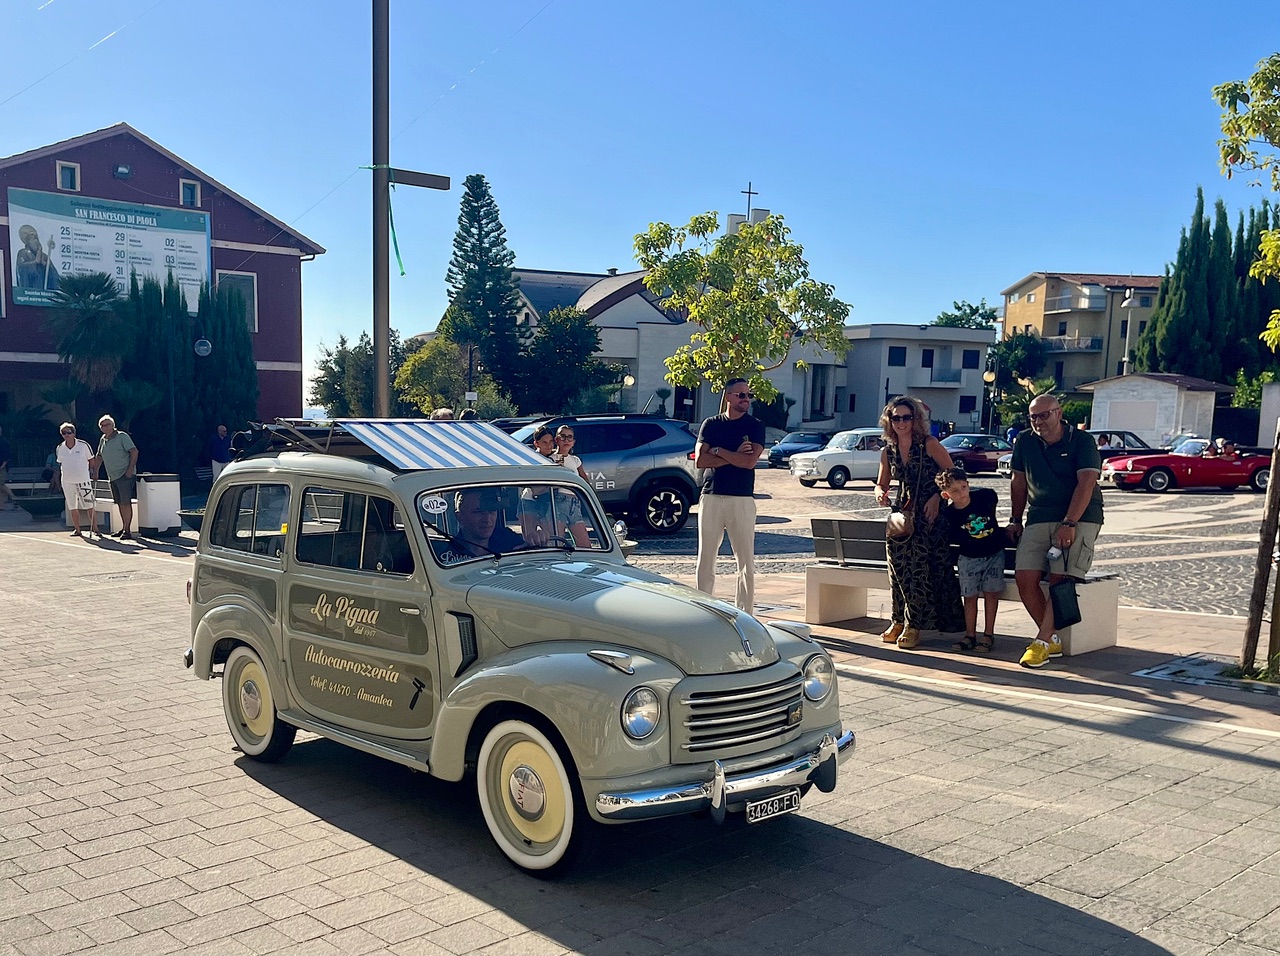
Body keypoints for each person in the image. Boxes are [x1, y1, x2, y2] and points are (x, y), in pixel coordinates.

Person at [1008, 394, 1105, 669]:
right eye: (1033, 417)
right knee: (1025, 577)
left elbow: (1086, 483)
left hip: (1080, 516)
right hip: (1039, 514)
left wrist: (1069, 523)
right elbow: (1018, 481)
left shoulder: (1081, 441)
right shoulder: (1025, 441)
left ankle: (1041, 643)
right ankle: (1052, 638)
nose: (1039, 421)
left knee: (1060, 578)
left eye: (1045, 415)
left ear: (1059, 413)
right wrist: (1015, 519)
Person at [874, 396, 965, 647]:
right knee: (897, 571)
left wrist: (937, 496)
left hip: (929, 516)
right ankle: (898, 620)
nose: (901, 422)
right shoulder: (888, 451)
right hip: (902, 516)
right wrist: (880, 493)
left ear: (915, 419)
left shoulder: (929, 444)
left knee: (919, 571)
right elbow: (881, 482)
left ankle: (914, 625)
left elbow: (953, 475)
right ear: (889, 421)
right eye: (896, 418)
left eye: (907, 417)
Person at [695, 378, 766, 612]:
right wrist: (734, 455)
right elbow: (701, 461)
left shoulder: (755, 426)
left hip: (741, 498)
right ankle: (703, 609)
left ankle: (746, 613)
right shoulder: (711, 424)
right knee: (706, 558)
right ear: (728, 397)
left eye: (748, 395)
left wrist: (719, 452)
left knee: (746, 561)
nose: (746, 399)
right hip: (712, 496)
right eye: (741, 395)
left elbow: (749, 462)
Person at [936, 467, 1010, 653]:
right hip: (969, 558)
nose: (961, 493)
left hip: (993, 554)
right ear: (946, 495)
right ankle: (970, 635)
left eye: (963, 487)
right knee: (969, 597)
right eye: (954, 491)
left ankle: (988, 634)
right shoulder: (950, 515)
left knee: (991, 594)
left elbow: (991, 500)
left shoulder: (985, 497)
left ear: (968, 485)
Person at [435, 488, 524, 563]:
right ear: (460, 516)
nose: (487, 519)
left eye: (492, 511)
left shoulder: (508, 539)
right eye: (478, 512)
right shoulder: (448, 557)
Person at [93, 415, 139, 541]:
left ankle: (127, 530)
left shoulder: (122, 436)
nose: (104, 427)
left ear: (113, 425)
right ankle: (124, 527)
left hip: (124, 474)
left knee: (125, 502)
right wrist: (95, 471)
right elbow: (99, 456)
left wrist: (130, 469)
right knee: (119, 503)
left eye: (107, 424)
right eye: (102, 425)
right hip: (112, 476)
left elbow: (134, 451)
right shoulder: (103, 439)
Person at [55, 423, 94, 538]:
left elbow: (91, 460)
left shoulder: (83, 445)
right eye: (64, 433)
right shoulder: (60, 448)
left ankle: (95, 528)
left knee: (90, 505)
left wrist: (92, 472)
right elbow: (60, 463)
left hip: (83, 480)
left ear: (74, 433)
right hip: (67, 481)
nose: (66, 435)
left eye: (69, 432)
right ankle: (77, 529)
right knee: (72, 506)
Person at [14, 224, 61, 291]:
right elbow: (21, 268)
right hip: (31, 289)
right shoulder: (23, 252)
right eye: (32, 237)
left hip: (43, 288)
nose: (36, 240)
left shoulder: (45, 256)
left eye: (36, 237)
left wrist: (47, 266)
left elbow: (54, 276)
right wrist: (35, 262)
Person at [0, 425, 12, 510]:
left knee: (1, 485)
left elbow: (7, 456)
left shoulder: (3, 442)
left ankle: (15, 497)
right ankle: (1, 505)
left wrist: (2, 466)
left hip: (1, 467)